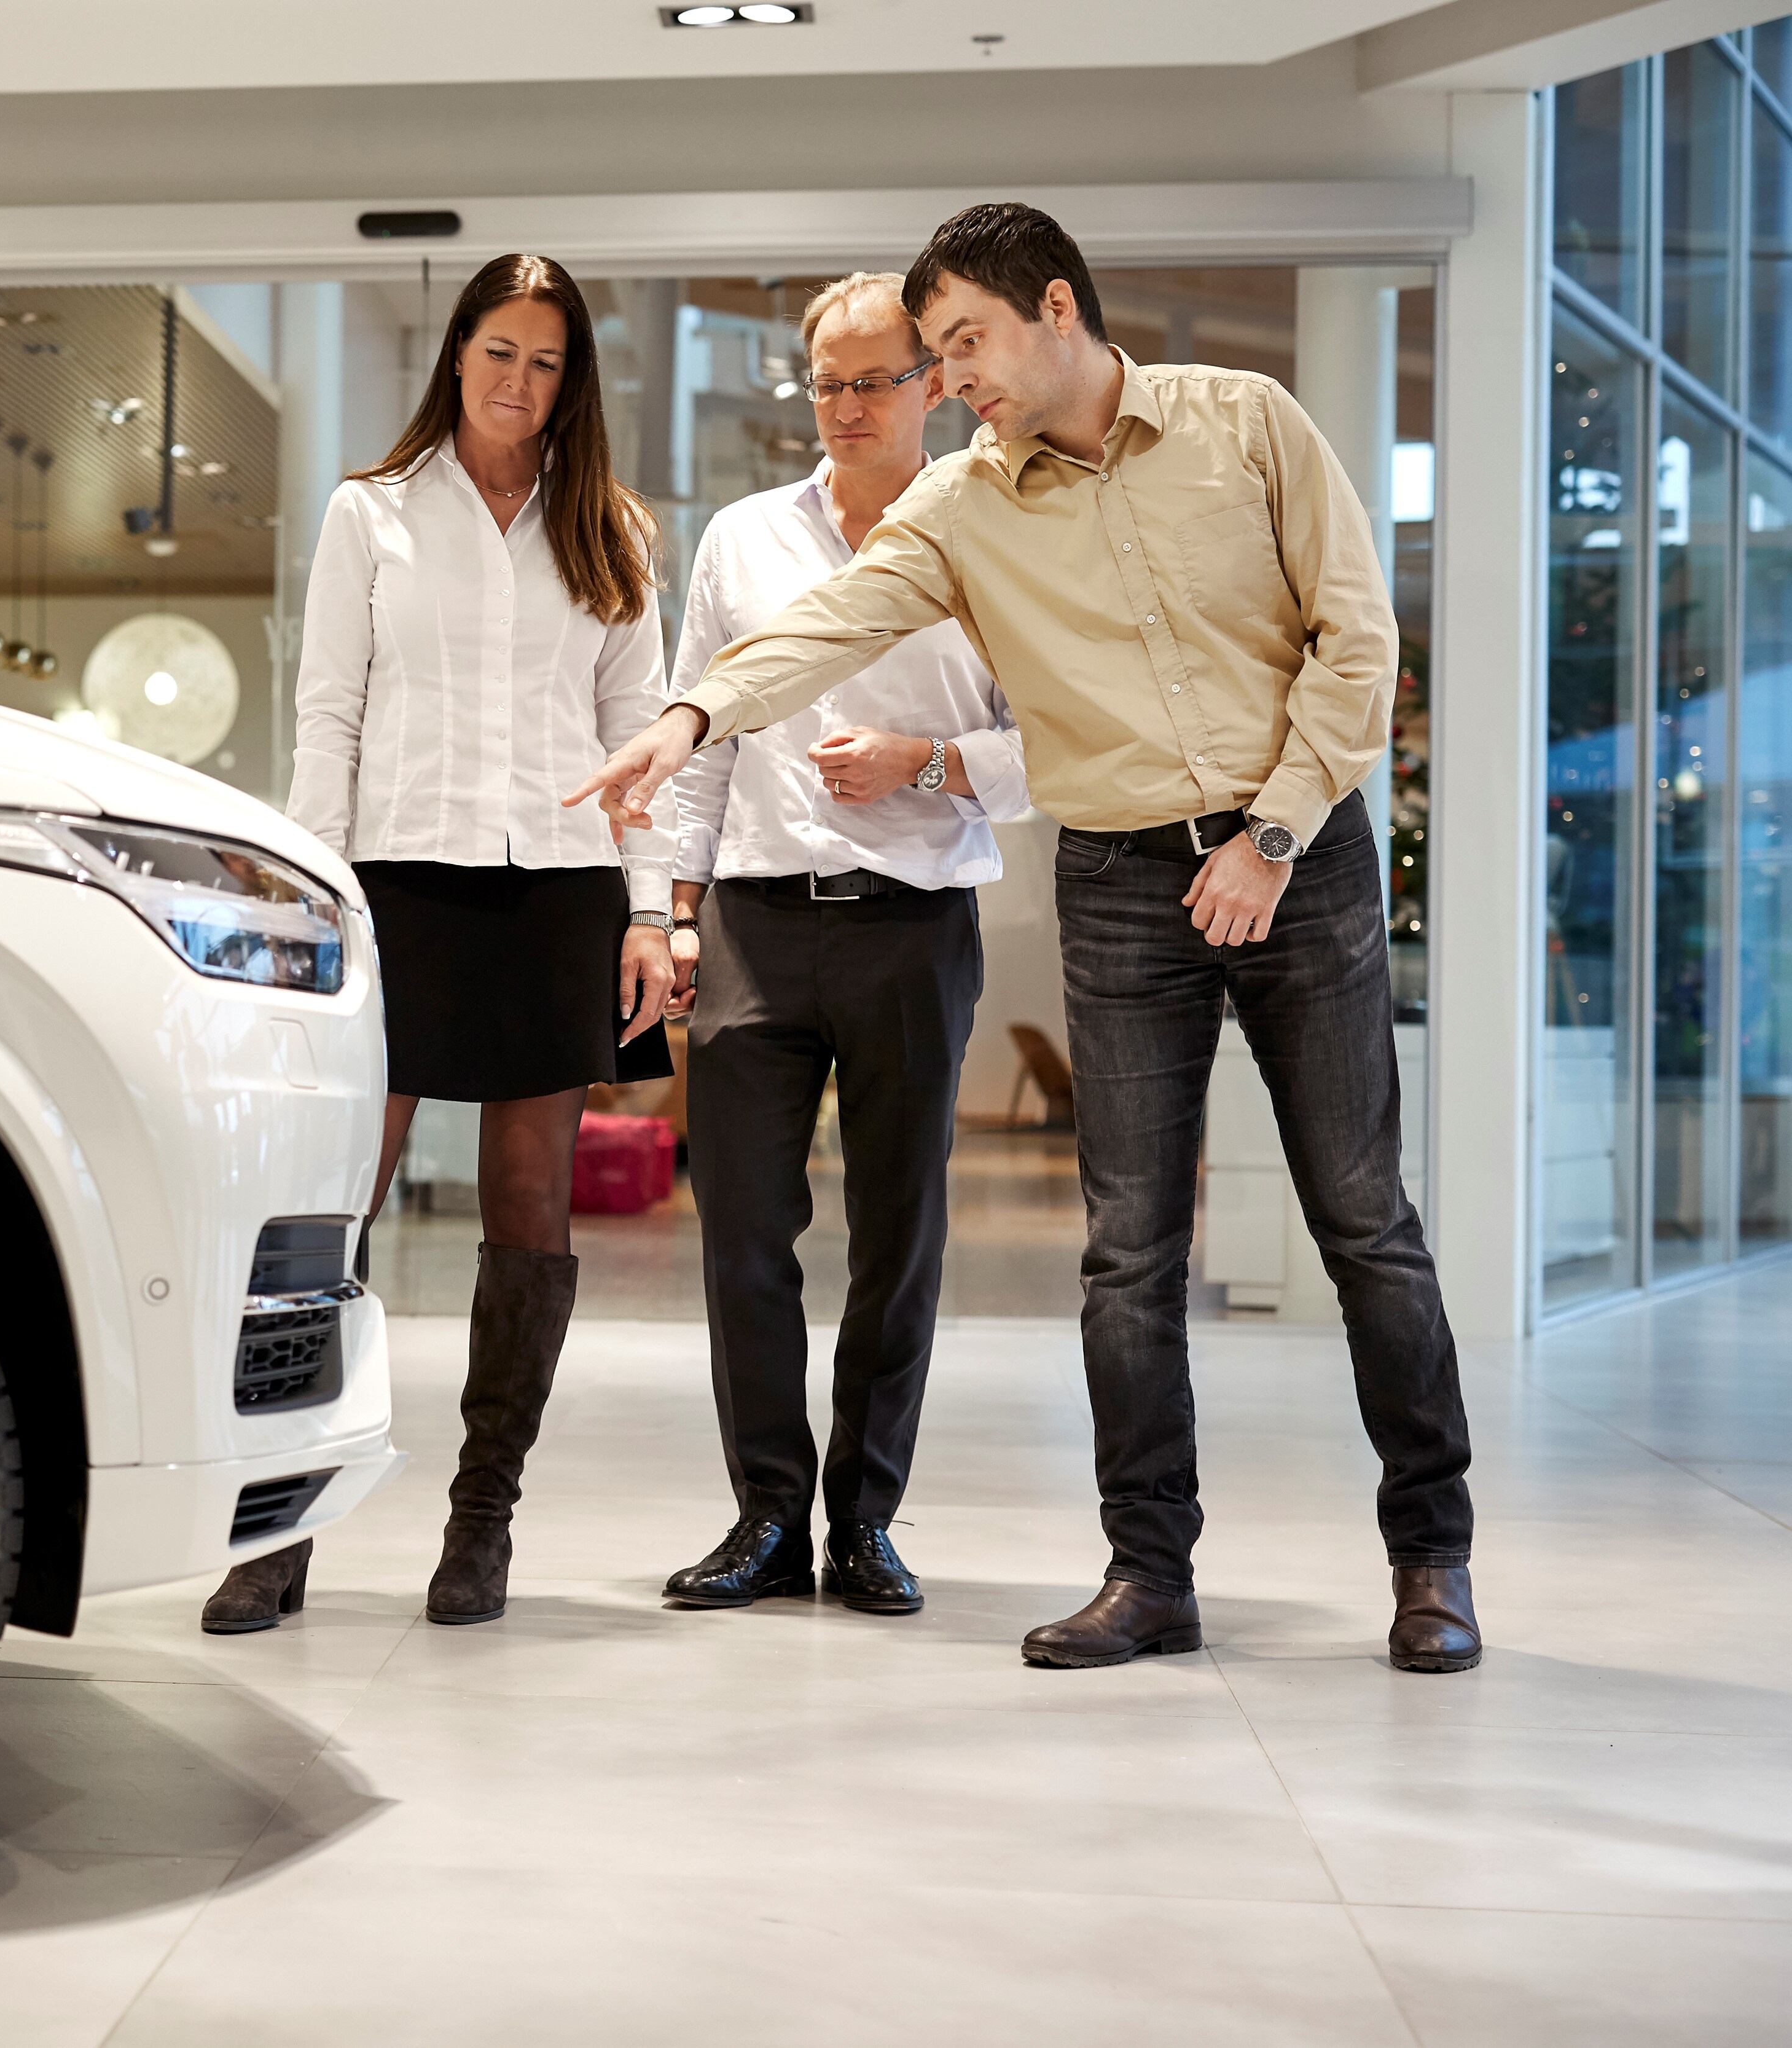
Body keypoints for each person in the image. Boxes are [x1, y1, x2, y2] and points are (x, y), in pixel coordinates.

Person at [569, 203, 1479, 1676]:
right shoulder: (965, 503)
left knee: (1361, 1219)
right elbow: (833, 620)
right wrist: (684, 721)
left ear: (1055, 307)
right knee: (1127, 1249)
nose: (952, 379)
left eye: (963, 344)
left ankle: (1429, 1556)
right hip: (1122, 880)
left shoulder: (1245, 424)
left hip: (1294, 859)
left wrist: (1269, 835)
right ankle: (1148, 1570)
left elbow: (1355, 642)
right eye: (932, 354)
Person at [200, 251, 676, 1633]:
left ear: (569, 378)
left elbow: (635, 738)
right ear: (454, 354)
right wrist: (310, 903)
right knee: (332, 1208)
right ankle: (282, 1519)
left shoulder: (612, 532)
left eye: (546, 360)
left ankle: (482, 1518)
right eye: (498, 352)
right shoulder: (372, 513)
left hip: (554, 896)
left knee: (529, 1212)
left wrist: (650, 911)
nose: (519, 383)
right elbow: (329, 719)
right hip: (394, 893)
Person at [657, 273, 1028, 1617]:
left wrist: (923, 762)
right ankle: (764, 1514)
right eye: (827, 382)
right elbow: (696, 742)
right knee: (742, 1234)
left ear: (932, 384)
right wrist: (668, 909)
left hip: (911, 926)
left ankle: (862, 1519)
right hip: (754, 922)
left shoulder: (992, 540)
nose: (850, 406)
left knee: (898, 1235)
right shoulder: (742, 541)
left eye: (877, 379)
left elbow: (1050, 747)